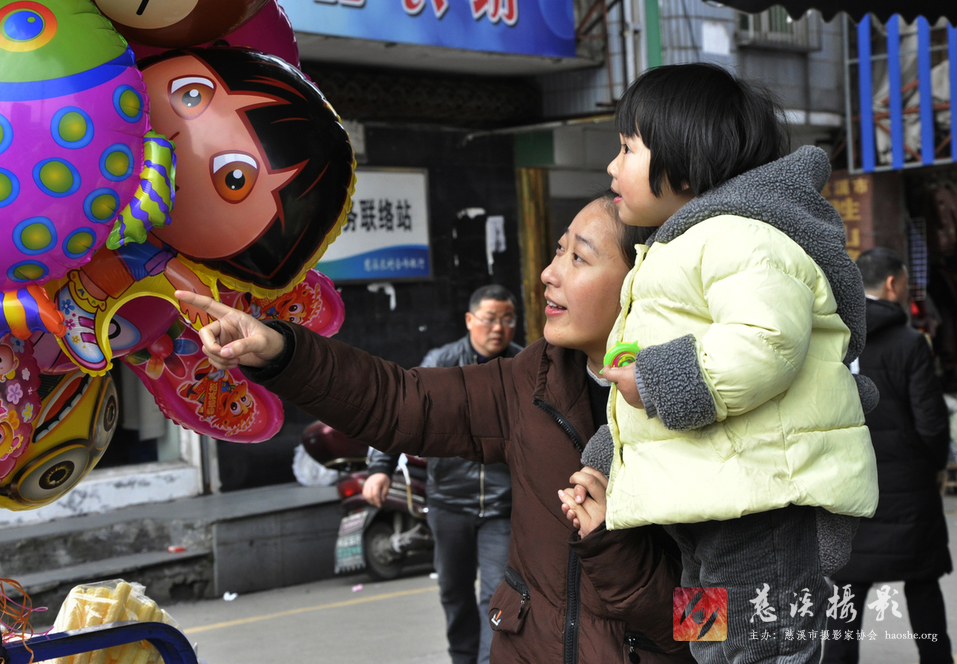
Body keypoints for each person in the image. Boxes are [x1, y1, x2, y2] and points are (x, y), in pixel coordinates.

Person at [176, 193, 694, 664]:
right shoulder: (534, 378)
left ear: (643, 280)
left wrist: (610, 546)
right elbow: (399, 401)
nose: (548, 273)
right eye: (559, 250)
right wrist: (281, 351)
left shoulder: (703, 404)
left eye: (578, 257)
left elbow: (712, 625)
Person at [559, 63, 880, 664]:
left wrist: (657, 378)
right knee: (706, 646)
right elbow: (655, 403)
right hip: (709, 509)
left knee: (762, 650)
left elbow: (766, 342)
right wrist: (606, 459)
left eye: (627, 148)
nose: (611, 166)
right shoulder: (678, 247)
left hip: (762, 505)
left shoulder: (741, 237)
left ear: (687, 159)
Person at [362, 284, 521, 664]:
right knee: (454, 591)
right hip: (449, 501)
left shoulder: (523, 365)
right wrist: (380, 468)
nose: (498, 328)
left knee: (497, 593)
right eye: (489, 319)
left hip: (503, 505)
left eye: (507, 319)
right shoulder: (442, 362)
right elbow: (402, 413)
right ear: (469, 320)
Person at [823, 248, 953, 664]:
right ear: (894, 284)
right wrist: (934, 465)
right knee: (923, 584)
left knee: (847, 593)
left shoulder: (833, 340)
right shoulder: (910, 343)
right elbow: (932, 423)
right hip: (908, 487)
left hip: (849, 484)